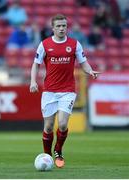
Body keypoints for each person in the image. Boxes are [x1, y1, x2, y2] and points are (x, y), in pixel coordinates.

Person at [30, 14, 100, 168]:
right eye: (59, 26)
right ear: (53, 28)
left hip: (67, 90)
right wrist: (33, 81)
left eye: (64, 26)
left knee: (62, 124)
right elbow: (36, 64)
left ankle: (58, 150)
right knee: (48, 127)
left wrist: (90, 71)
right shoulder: (44, 44)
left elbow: (84, 63)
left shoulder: (75, 44)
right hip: (49, 91)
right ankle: (47, 156)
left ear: (66, 27)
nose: (62, 28)